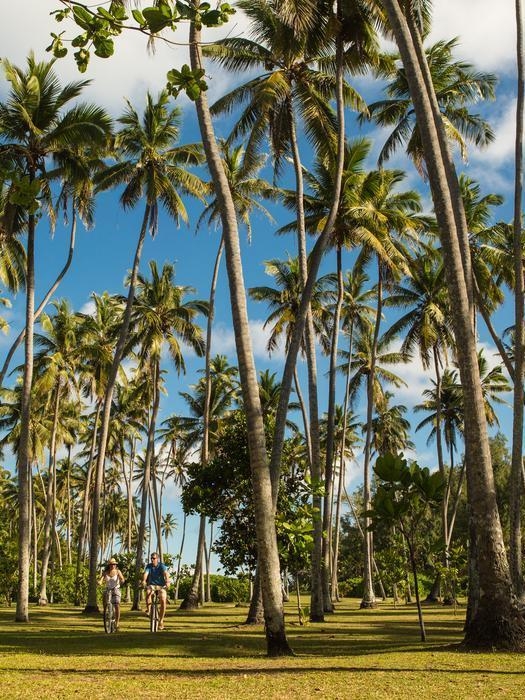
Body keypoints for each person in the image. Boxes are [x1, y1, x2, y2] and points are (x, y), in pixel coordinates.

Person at [142, 552, 169, 630]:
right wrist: (144, 580)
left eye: (154, 558)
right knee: (148, 592)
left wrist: (167, 581)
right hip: (152, 585)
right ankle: (149, 611)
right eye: (151, 558)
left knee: (163, 599)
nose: (152, 560)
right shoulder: (149, 566)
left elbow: (166, 574)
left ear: (157, 559)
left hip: (161, 586)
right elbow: (146, 574)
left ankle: (161, 620)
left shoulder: (161, 566)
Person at [99, 557, 125, 630]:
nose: (112, 565)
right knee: (105, 602)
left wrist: (122, 580)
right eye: (111, 564)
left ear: (115, 565)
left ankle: (117, 623)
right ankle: (106, 614)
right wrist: (99, 582)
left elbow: (122, 578)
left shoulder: (118, 571)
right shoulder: (105, 572)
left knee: (117, 605)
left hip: (116, 589)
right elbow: (101, 579)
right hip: (108, 589)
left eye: (114, 564)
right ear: (109, 565)